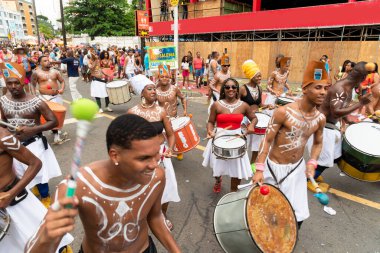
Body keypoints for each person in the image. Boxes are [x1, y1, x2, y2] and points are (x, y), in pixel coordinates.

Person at [25, 114, 181, 253]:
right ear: (115, 155)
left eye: (156, 155)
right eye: (143, 158)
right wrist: (47, 235)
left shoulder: (157, 176)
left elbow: (155, 217)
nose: (154, 164)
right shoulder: (77, 186)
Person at [252, 60, 328, 229]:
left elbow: (318, 143)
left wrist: (312, 163)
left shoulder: (320, 118)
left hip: (296, 170)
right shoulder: (283, 112)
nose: (323, 92)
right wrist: (259, 169)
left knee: (297, 216)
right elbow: (267, 140)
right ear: (304, 89)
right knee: (265, 212)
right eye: (318, 87)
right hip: (273, 168)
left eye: (326, 88)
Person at [0, 126, 73, 252]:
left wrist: (11, 194)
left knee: (50, 245)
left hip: (18, 204)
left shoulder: (3, 136)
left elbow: (35, 163)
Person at [0, 62, 62, 208]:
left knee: (40, 175)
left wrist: (33, 129)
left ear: (23, 83)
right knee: (19, 175)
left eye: (16, 83)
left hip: (34, 144)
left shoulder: (36, 102)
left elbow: (54, 122)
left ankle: (45, 198)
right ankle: (31, 198)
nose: (13, 86)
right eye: (10, 83)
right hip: (14, 146)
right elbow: (3, 121)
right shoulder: (2, 101)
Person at [307, 61, 374, 192]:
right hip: (323, 127)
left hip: (330, 127)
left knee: (336, 156)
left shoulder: (348, 89)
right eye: (365, 78)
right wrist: (360, 103)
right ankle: (308, 179)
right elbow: (336, 111)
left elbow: (340, 110)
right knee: (325, 159)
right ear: (361, 78)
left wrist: (349, 121)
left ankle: (315, 173)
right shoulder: (341, 89)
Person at [128, 81, 180, 231]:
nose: (153, 92)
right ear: (141, 93)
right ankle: (143, 215)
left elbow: (170, 134)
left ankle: (162, 214)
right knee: (142, 187)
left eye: (154, 89)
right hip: (142, 156)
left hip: (162, 153)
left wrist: (170, 148)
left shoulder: (161, 111)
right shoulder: (132, 112)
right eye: (149, 89)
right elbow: (126, 137)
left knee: (167, 185)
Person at [203, 78, 257, 192]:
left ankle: (233, 193)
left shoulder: (244, 105)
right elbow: (210, 122)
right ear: (224, 90)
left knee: (237, 169)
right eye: (227, 87)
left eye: (233, 87)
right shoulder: (216, 105)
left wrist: (252, 125)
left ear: (237, 90)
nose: (230, 89)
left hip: (237, 138)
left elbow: (254, 118)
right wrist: (210, 131)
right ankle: (218, 180)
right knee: (217, 167)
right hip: (219, 138)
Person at [240, 60, 274, 163]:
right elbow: (237, 105)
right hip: (245, 120)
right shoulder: (243, 89)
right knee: (243, 143)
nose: (260, 78)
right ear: (251, 76)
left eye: (260, 76)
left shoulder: (259, 88)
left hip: (257, 119)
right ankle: (242, 163)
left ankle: (252, 163)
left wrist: (267, 106)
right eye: (257, 76)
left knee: (257, 144)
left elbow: (259, 104)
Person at [30, 55, 68, 144]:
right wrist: (34, 95)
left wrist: (62, 89)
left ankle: (55, 130)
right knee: (49, 116)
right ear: (40, 63)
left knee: (58, 115)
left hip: (57, 96)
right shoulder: (36, 73)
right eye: (45, 61)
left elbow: (62, 81)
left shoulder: (55, 72)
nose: (48, 62)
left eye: (48, 60)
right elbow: (32, 85)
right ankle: (55, 136)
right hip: (45, 97)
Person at [156, 64, 187, 160]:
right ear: (159, 78)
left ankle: (179, 150)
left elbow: (183, 98)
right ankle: (166, 153)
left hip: (174, 117)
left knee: (176, 136)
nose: (164, 78)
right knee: (163, 139)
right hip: (161, 119)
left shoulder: (175, 88)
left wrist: (185, 110)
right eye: (162, 77)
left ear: (169, 77)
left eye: (166, 76)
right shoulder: (155, 90)